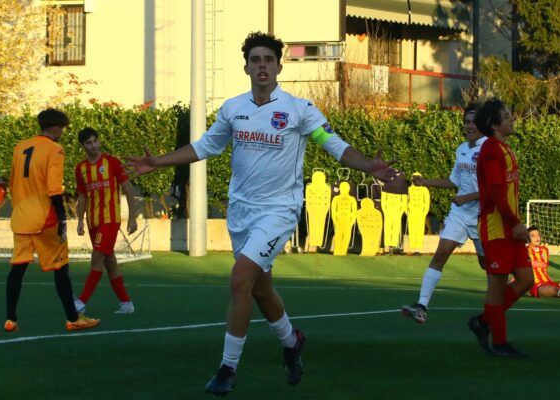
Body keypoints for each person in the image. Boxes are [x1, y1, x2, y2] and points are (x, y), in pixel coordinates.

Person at [124, 31, 400, 395]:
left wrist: (369, 167)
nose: (262, 66)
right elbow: (207, 146)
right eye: (255, 60)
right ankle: (291, 342)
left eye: (268, 60)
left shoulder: (299, 111)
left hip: (279, 211)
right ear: (246, 68)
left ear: (279, 66)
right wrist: (159, 162)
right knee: (260, 289)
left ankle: (227, 369)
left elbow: (332, 145)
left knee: (240, 280)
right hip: (241, 212)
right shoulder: (233, 109)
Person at [5, 109, 100, 332]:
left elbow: (12, 183)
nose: (62, 134)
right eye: (63, 129)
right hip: (45, 218)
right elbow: (54, 188)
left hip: (21, 217)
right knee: (61, 268)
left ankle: (10, 319)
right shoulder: (55, 149)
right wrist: (62, 218)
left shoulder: (19, 147)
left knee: (17, 269)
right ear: (56, 128)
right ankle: (73, 318)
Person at [402, 104, 486, 323]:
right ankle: (421, 306)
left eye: (473, 122)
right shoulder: (461, 149)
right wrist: (425, 182)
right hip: (459, 213)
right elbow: (453, 181)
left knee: (486, 264)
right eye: (466, 121)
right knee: (440, 254)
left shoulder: (490, 148)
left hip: (482, 215)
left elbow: (493, 188)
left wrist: (467, 198)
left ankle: (505, 293)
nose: (469, 126)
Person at [467, 98, 534, 358]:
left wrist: (515, 224)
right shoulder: (492, 150)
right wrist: (515, 223)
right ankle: (500, 343)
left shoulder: (504, 148)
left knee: (527, 280)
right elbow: (495, 192)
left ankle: (483, 321)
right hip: (497, 230)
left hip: (510, 229)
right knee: (496, 288)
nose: (511, 118)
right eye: (506, 116)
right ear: (495, 125)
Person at [73, 127, 138, 315]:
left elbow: (127, 188)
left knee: (97, 258)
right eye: (88, 143)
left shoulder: (112, 162)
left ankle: (81, 302)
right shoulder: (81, 169)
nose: (93, 145)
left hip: (110, 221)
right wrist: (80, 220)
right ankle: (126, 303)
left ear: (98, 141)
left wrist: (132, 217)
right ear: (83, 146)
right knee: (110, 263)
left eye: (95, 141)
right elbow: (82, 197)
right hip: (93, 221)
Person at [527, 226, 560, 298]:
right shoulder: (524, 251)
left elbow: (544, 270)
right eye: (533, 236)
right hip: (537, 285)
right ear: (527, 238)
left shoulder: (545, 250)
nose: (537, 237)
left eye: (538, 235)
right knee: (556, 290)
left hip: (548, 282)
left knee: (559, 288)